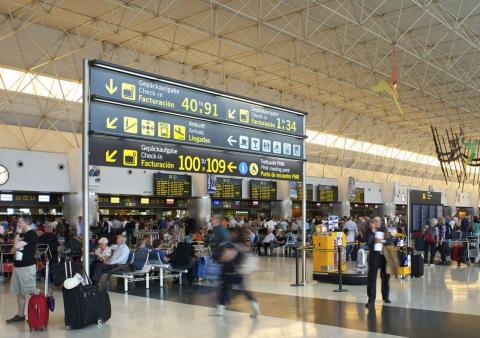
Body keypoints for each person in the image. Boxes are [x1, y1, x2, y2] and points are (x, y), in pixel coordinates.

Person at [211, 227, 260, 318]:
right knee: (240, 290)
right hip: (238, 272)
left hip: (230, 272)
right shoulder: (241, 245)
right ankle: (255, 306)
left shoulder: (229, 245)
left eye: (230, 233)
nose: (229, 235)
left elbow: (222, 257)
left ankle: (220, 310)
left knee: (225, 289)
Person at [6, 216, 39, 324]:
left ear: (25, 223)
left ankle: (37, 315)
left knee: (31, 291)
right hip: (18, 267)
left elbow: (16, 246)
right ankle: (20, 315)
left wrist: (17, 234)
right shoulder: (23, 235)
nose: (18, 224)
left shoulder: (31, 234)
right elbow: (12, 251)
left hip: (27, 267)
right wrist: (17, 241)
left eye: (19, 222)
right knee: (20, 293)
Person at [365, 216, 391, 309]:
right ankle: (371, 300)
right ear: (372, 222)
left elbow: (390, 240)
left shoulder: (384, 229)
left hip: (384, 256)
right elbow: (367, 241)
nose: (378, 222)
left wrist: (382, 240)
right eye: (376, 221)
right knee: (372, 278)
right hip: (374, 257)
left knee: (385, 278)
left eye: (379, 220)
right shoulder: (369, 230)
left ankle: (386, 297)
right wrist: (372, 232)